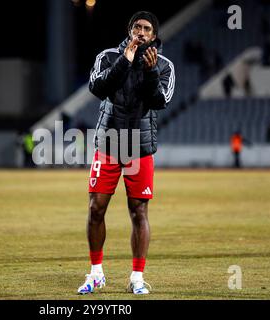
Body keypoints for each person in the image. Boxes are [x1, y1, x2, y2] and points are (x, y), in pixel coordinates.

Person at [77, 11, 175, 295]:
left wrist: (150, 71)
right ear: (129, 31)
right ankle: (96, 273)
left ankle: (137, 277)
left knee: (138, 211)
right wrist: (125, 61)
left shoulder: (164, 65)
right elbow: (97, 87)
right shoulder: (108, 56)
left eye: (146, 29)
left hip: (140, 146)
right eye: (137, 27)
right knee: (96, 208)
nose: (141, 33)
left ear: (154, 35)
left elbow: (160, 101)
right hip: (109, 142)